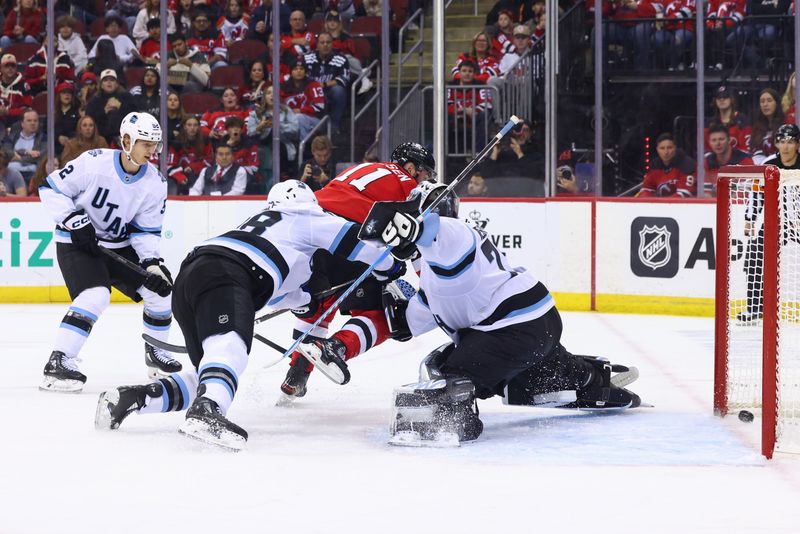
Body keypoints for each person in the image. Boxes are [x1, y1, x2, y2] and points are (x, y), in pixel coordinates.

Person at [94, 179, 402, 451]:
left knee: (215, 374)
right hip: (229, 275)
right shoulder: (307, 216)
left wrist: (306, 301)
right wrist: (394, 267)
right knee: (230, 349)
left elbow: (286, 293)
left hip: (193, 273)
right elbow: (361, 244)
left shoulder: (264, 224)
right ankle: (208, 410)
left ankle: (134, 398)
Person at [358, 181, 641, 445]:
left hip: (513, 330)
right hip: (533, 325)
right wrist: (382, 303)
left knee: (447, 371)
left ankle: (454, 419)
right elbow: (408, 323)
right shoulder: (434, 275)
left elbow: (439, 230)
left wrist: (414, 230)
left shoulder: (457, 236)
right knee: (528, 378)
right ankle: (591, 379)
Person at [37, 111, 181, 393]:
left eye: (154, 144)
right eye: (145, 143)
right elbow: (50, 188)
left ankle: (156, 353)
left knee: (160, 291)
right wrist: (74, 220)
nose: (151, 151)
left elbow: (145, 231)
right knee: (96, 294)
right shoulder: (94, 163)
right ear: (126, 140)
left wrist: (152, 264)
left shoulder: (155, 183)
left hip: (117, 246)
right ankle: (59, 361)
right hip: (77, 242)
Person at [280, 142, 434, 400]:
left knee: (320, 300)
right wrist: (430, 286)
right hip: (351, 236)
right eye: (426, 173)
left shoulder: (363, 168)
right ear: (410, 168)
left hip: (310, 231)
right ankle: (336, 348)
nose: (427, 180)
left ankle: (297, 372)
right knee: (381, 316)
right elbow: (418, 240)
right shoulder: (409, 186)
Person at [739, 123, 800, 322]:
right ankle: (755, 307)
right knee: (755, 254)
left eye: (790, 142)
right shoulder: (769, 164)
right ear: (776, 144)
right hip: (777, 223)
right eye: (782, 142)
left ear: (798, 144)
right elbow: (757, 194)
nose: (786, 147)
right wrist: (750, 218)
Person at [304, 32, 350, 133]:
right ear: (317, 45)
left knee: (339, 90)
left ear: (332, 44)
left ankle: (333, 126)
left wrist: (323, 85)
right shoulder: (307, 58)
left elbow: (343, 79)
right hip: (311, 93)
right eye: (322, 42)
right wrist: (315, 87)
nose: (325, 45)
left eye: (328, 42)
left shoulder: (341, 59)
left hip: (329, 92)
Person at [85, 69, 137, 145]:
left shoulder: (127, 97)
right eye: (105, 80)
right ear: (101, 85)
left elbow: (135, 117)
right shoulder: (94, 101)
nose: (109, 82)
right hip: (101, 139)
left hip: (125, 137)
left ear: (116, 84)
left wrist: (121, 107)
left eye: (112, 80)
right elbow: (90, 120)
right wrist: (104, 112)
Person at [636, 132, 697, 197]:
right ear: (657, 150)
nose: (666, 152)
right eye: (662, 148)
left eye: (669, 148)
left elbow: (685, 193)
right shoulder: (655, 166)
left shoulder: (687, 165)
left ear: (675, 148)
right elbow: (646, 189)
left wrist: (662, 205)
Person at [280, 56, 325, 140]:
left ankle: (304, 147)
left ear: (305, 72)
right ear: (291, 72)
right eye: (295, 69)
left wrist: (301, 110)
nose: (298, 71)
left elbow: (320, 106)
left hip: (314, 120)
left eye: (301, 69)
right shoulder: (285, 86)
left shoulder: (313, 84)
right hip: (291, 119)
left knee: (299, 117)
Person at [703, 124, 754, 189]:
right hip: (715, 198)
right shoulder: (708, 162)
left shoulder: (744, 160)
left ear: (729, 140)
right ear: (709, 143)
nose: (718, 143)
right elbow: (706, 192)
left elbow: (748, 190)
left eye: (721, 139)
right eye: (714, 140)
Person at [2, 108, 46, 183]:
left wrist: (18, 158)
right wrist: (26, 152)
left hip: (33, 175)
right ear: (22, 123)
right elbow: (5, 152)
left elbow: (41, 156)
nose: (33, 123)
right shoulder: (11, 137)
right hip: (10, 175)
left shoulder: (44, 138)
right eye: (29, 120)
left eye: (35, 121)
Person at [705, 85, 751, 152]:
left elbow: (745, 149)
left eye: (725, 97)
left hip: (738, 160)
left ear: (732, 99)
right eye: (719, 97)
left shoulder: (743, 120)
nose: (721, 99)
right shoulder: (710, 123)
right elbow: (706, 148)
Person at [749, 88, 784, 164]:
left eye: (769, 100)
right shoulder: (757, 128)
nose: (765, 104)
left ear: (777, 103)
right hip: (761, 169)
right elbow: (755, 152)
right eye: (762, 101)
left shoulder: (785, 125)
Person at [0, 53, 33, 129]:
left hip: (16, 123)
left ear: (16, 68)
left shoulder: (24, 86)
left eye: (13, 66)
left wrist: (8, 112)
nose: (10, 68)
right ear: (1, 68)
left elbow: (27, 110)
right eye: (7, 66)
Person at [54, 82, 81, 157]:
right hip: (54, 148)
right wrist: (58, 137)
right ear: (59, 95)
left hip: (73, 148)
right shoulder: (52, 113)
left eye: (69, 93)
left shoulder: (78, 113)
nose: (67, 95)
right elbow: (45, 131)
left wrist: (70, 139)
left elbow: (80, 131)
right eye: (64, 92)